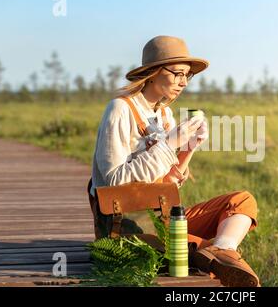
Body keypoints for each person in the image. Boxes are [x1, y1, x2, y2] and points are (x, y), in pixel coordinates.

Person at [89, 35, 260, 287]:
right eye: (178, 73)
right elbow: (114, 181)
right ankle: (219, 255)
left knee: (242, 201)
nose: (183, 82)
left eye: (187, 76)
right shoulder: (120, 109)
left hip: (164, 215)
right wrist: (169, 143)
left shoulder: (164, 114)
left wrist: (188, 148)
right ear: (154, 72)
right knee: (208, 254)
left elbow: (168, 183)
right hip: (130, 225)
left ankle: (223, 250)